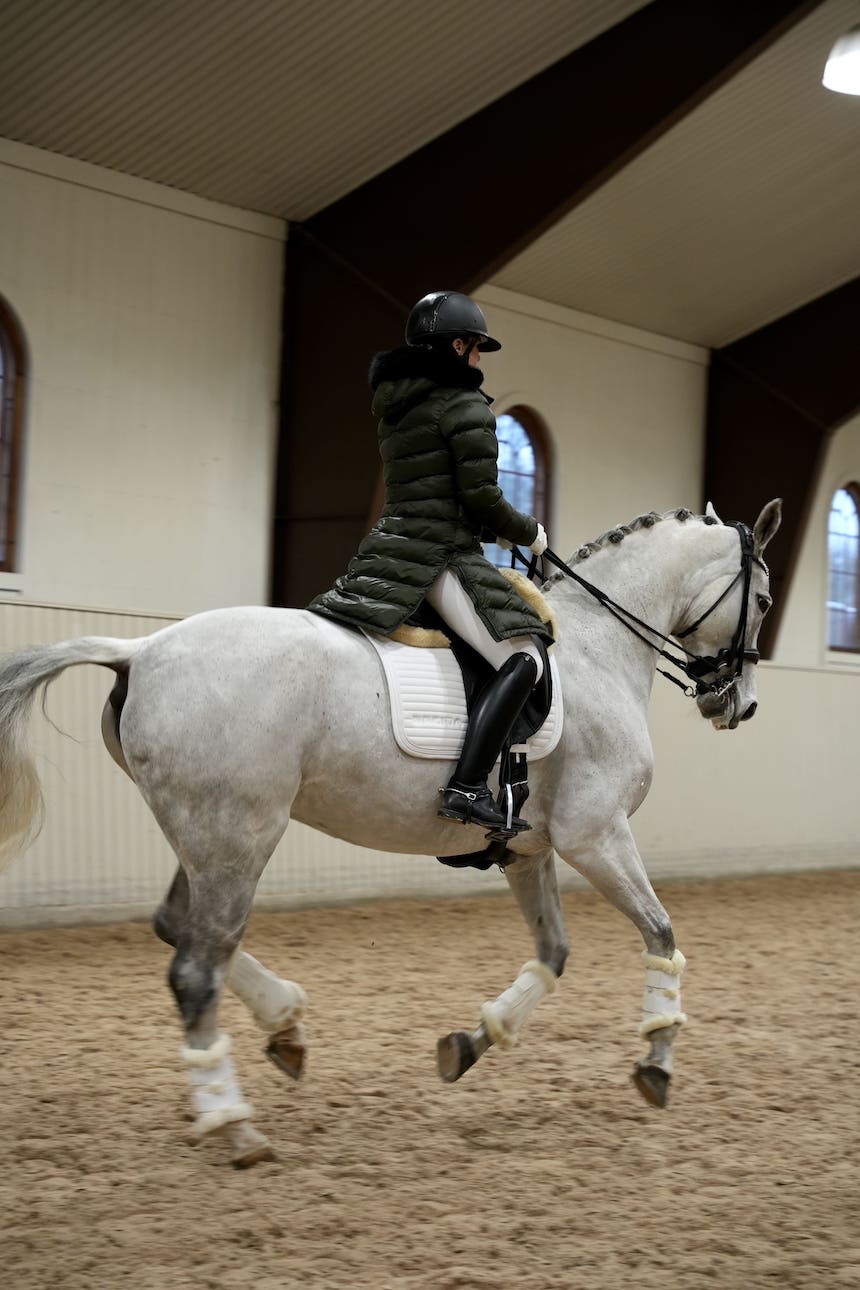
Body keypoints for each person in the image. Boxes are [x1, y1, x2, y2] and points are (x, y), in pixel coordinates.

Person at [308, 290, 553, 834]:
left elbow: (434, 489)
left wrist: (484, 523)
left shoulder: (401, 406)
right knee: (526, 656)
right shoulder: (465, 408)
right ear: (458, 345)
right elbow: (482, 499)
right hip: (439, 556)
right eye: (477, 349)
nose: (480, 361)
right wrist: (530, 533)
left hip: (388, 548)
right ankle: (467, 787)